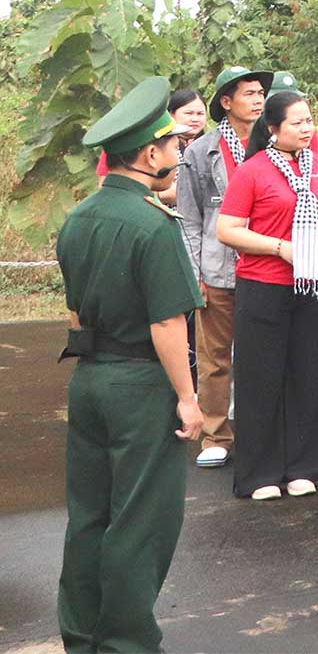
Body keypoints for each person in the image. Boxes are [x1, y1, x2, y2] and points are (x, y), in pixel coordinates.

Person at [56, 78, 204, 653]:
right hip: (142, 386)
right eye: (170, 145)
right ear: (149, 155)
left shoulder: (79, 218)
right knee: (140, 523)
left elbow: (75, 311)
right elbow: (167, 325)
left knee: (88, 516)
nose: (175, 153)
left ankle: (82, 635)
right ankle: (126, 643)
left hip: (91, 380)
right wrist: (188, 400)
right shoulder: (153, 225)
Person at [215, 88, 318, 500]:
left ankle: (303, 467)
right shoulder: (253, 171)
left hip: (312, 286)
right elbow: (228, 229)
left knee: (308, 375)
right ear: (273, 129)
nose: (307, 128)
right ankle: (259, 474)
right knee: (262, 379)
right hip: (264, 285)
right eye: (297, 122)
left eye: (310, 120)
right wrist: (281, 248)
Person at [176, 64, 272, 470]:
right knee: (215, 356)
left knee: (263, 354)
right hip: (218, 268)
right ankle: (216, 434)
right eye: (247, 93)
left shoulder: (275, 143)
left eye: (259, 93)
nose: (257, 99)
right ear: (226, 102)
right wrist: (194, 270)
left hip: (267, 268)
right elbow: (190, 217)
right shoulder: (202, 151)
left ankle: (260, 430)